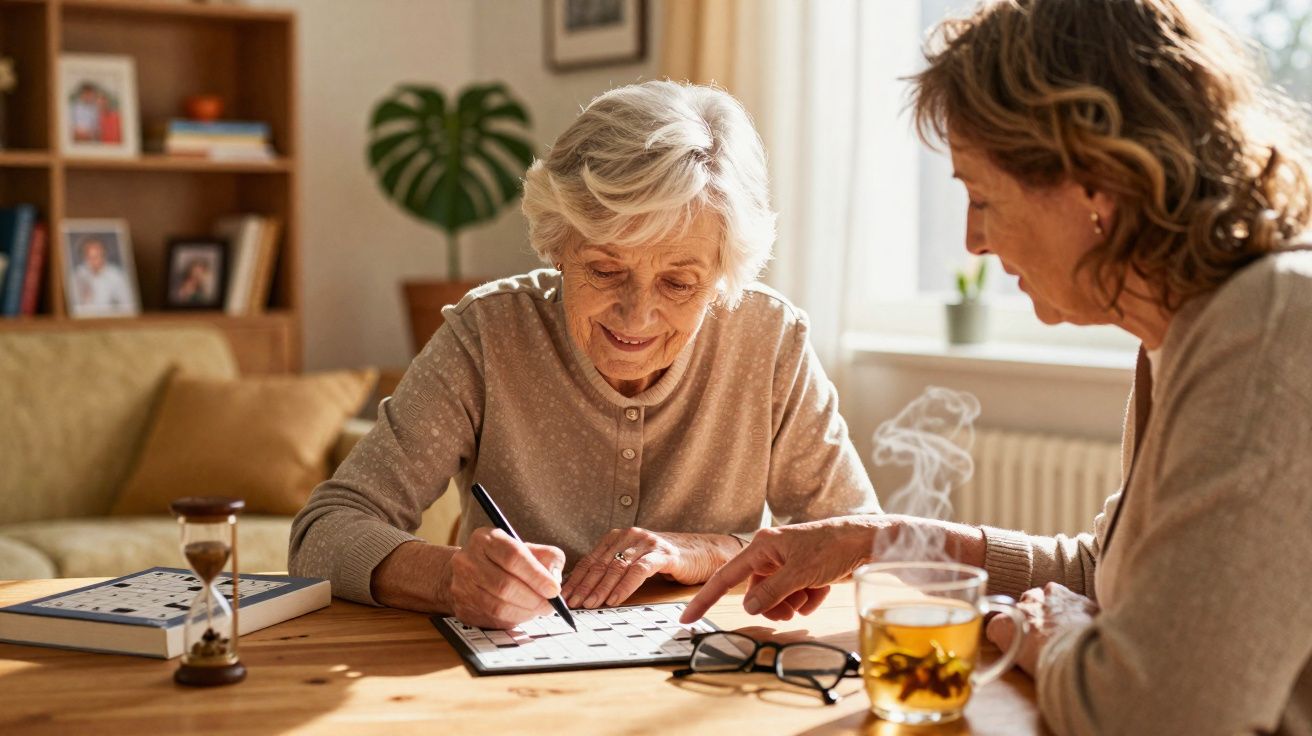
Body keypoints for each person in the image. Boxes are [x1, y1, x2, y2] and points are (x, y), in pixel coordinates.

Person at [683, 0, 1312, 732]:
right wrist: (876, 540)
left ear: (1095, 179)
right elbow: (1108, 578)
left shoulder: (1269, 332)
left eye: (981, 197)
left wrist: (1037, 634)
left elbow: (1155, 712)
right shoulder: (1178, 333)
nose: (972, 240)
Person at [289, 81, 880, 630]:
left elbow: (861, 539)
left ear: (723, 275)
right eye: (604, 269)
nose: (636, 315)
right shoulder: (489, 334)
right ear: (559, 245)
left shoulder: (769, 339)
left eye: (679, 283)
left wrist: (705, 550)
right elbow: (323, 532)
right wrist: (450, 580)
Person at [72, 236, 134, 314]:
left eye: (97, 256)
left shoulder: (116, 275)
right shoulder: (77, 276)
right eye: (90, 257)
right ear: (84, 257)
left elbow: (128, 305)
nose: (95, 261)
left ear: (104, 255)